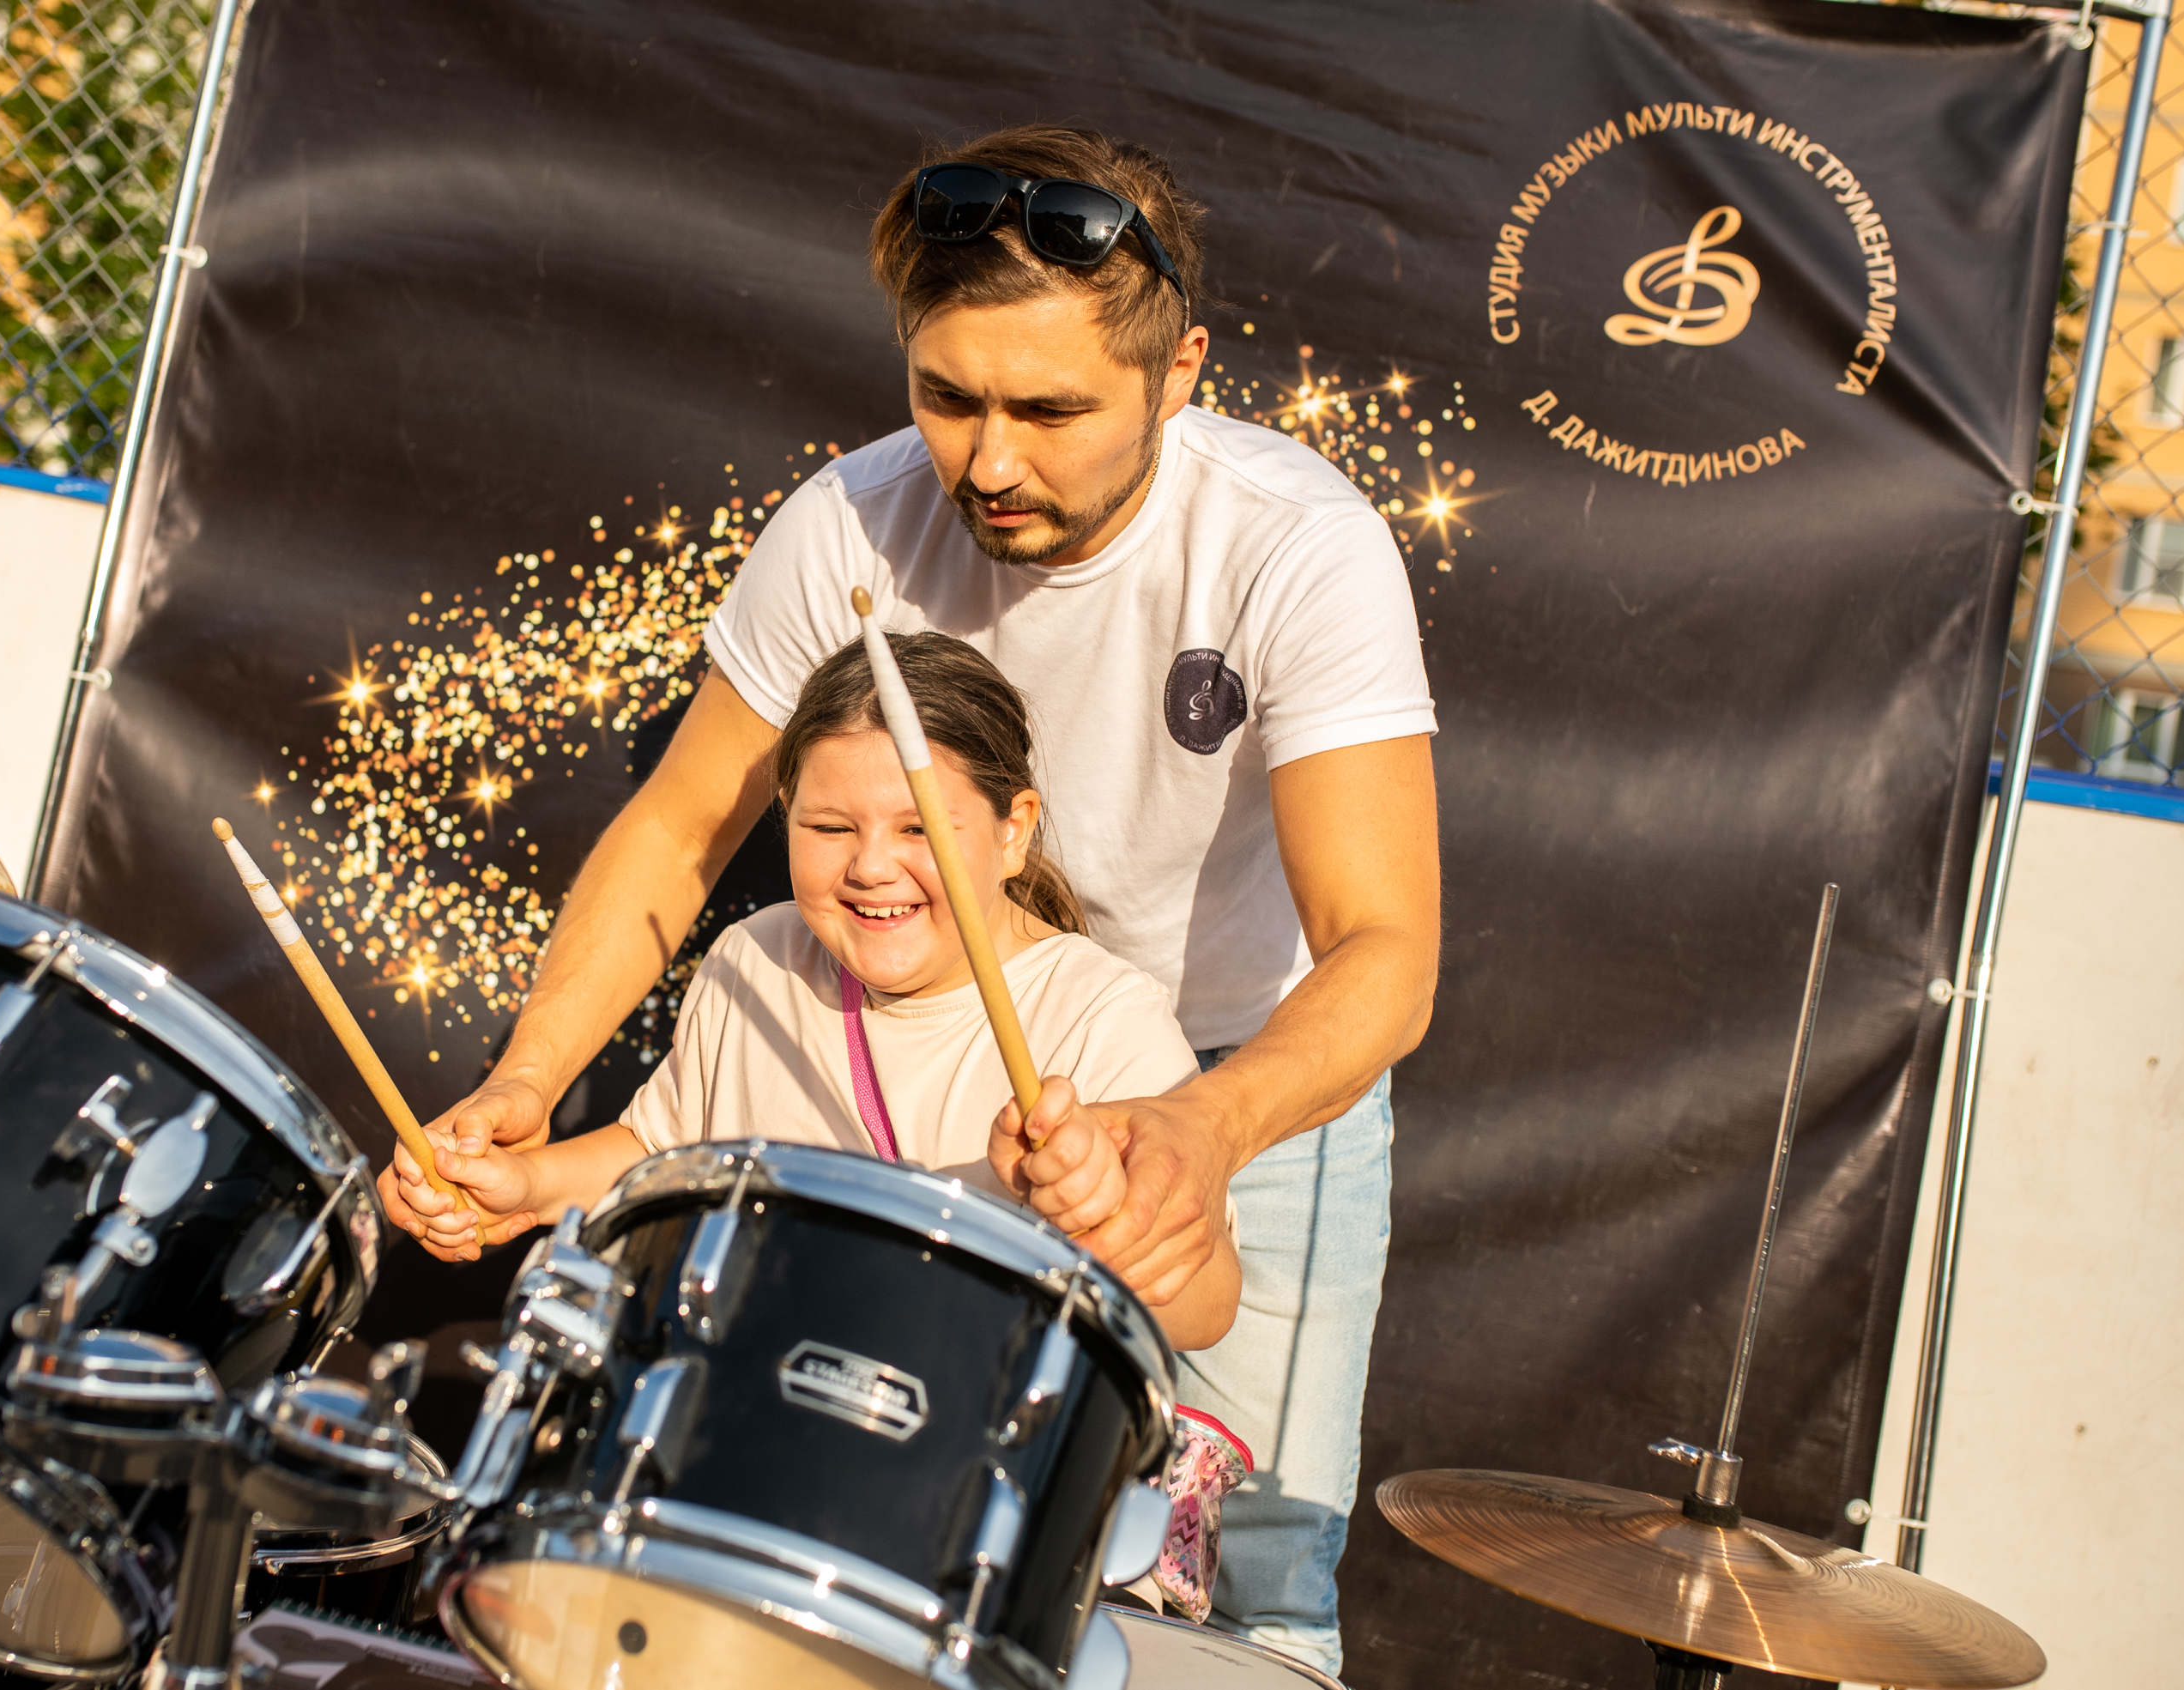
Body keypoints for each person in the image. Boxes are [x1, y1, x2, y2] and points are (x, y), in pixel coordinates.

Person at [390, 124, 1437, 1673]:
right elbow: (678, 831)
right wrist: (528, 1088)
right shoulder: (850, 522)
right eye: (948, 397)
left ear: (1181, 371)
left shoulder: (1299, 545)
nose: (989, 462)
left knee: (1244, 1581)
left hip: (1245, 1074)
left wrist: (1204, 1132)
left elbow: (1384, 948)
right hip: (951, 1047)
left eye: (1051, 409)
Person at [390, 631, 1241, 1349]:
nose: (871, 866)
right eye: (829, 826)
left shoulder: (1101, 1018)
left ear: (1011, 830)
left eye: (918, 829)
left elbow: (1208, 1309)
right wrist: (527, 1186)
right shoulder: (753, 959)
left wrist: (1098, 1211)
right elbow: (660, 1154)